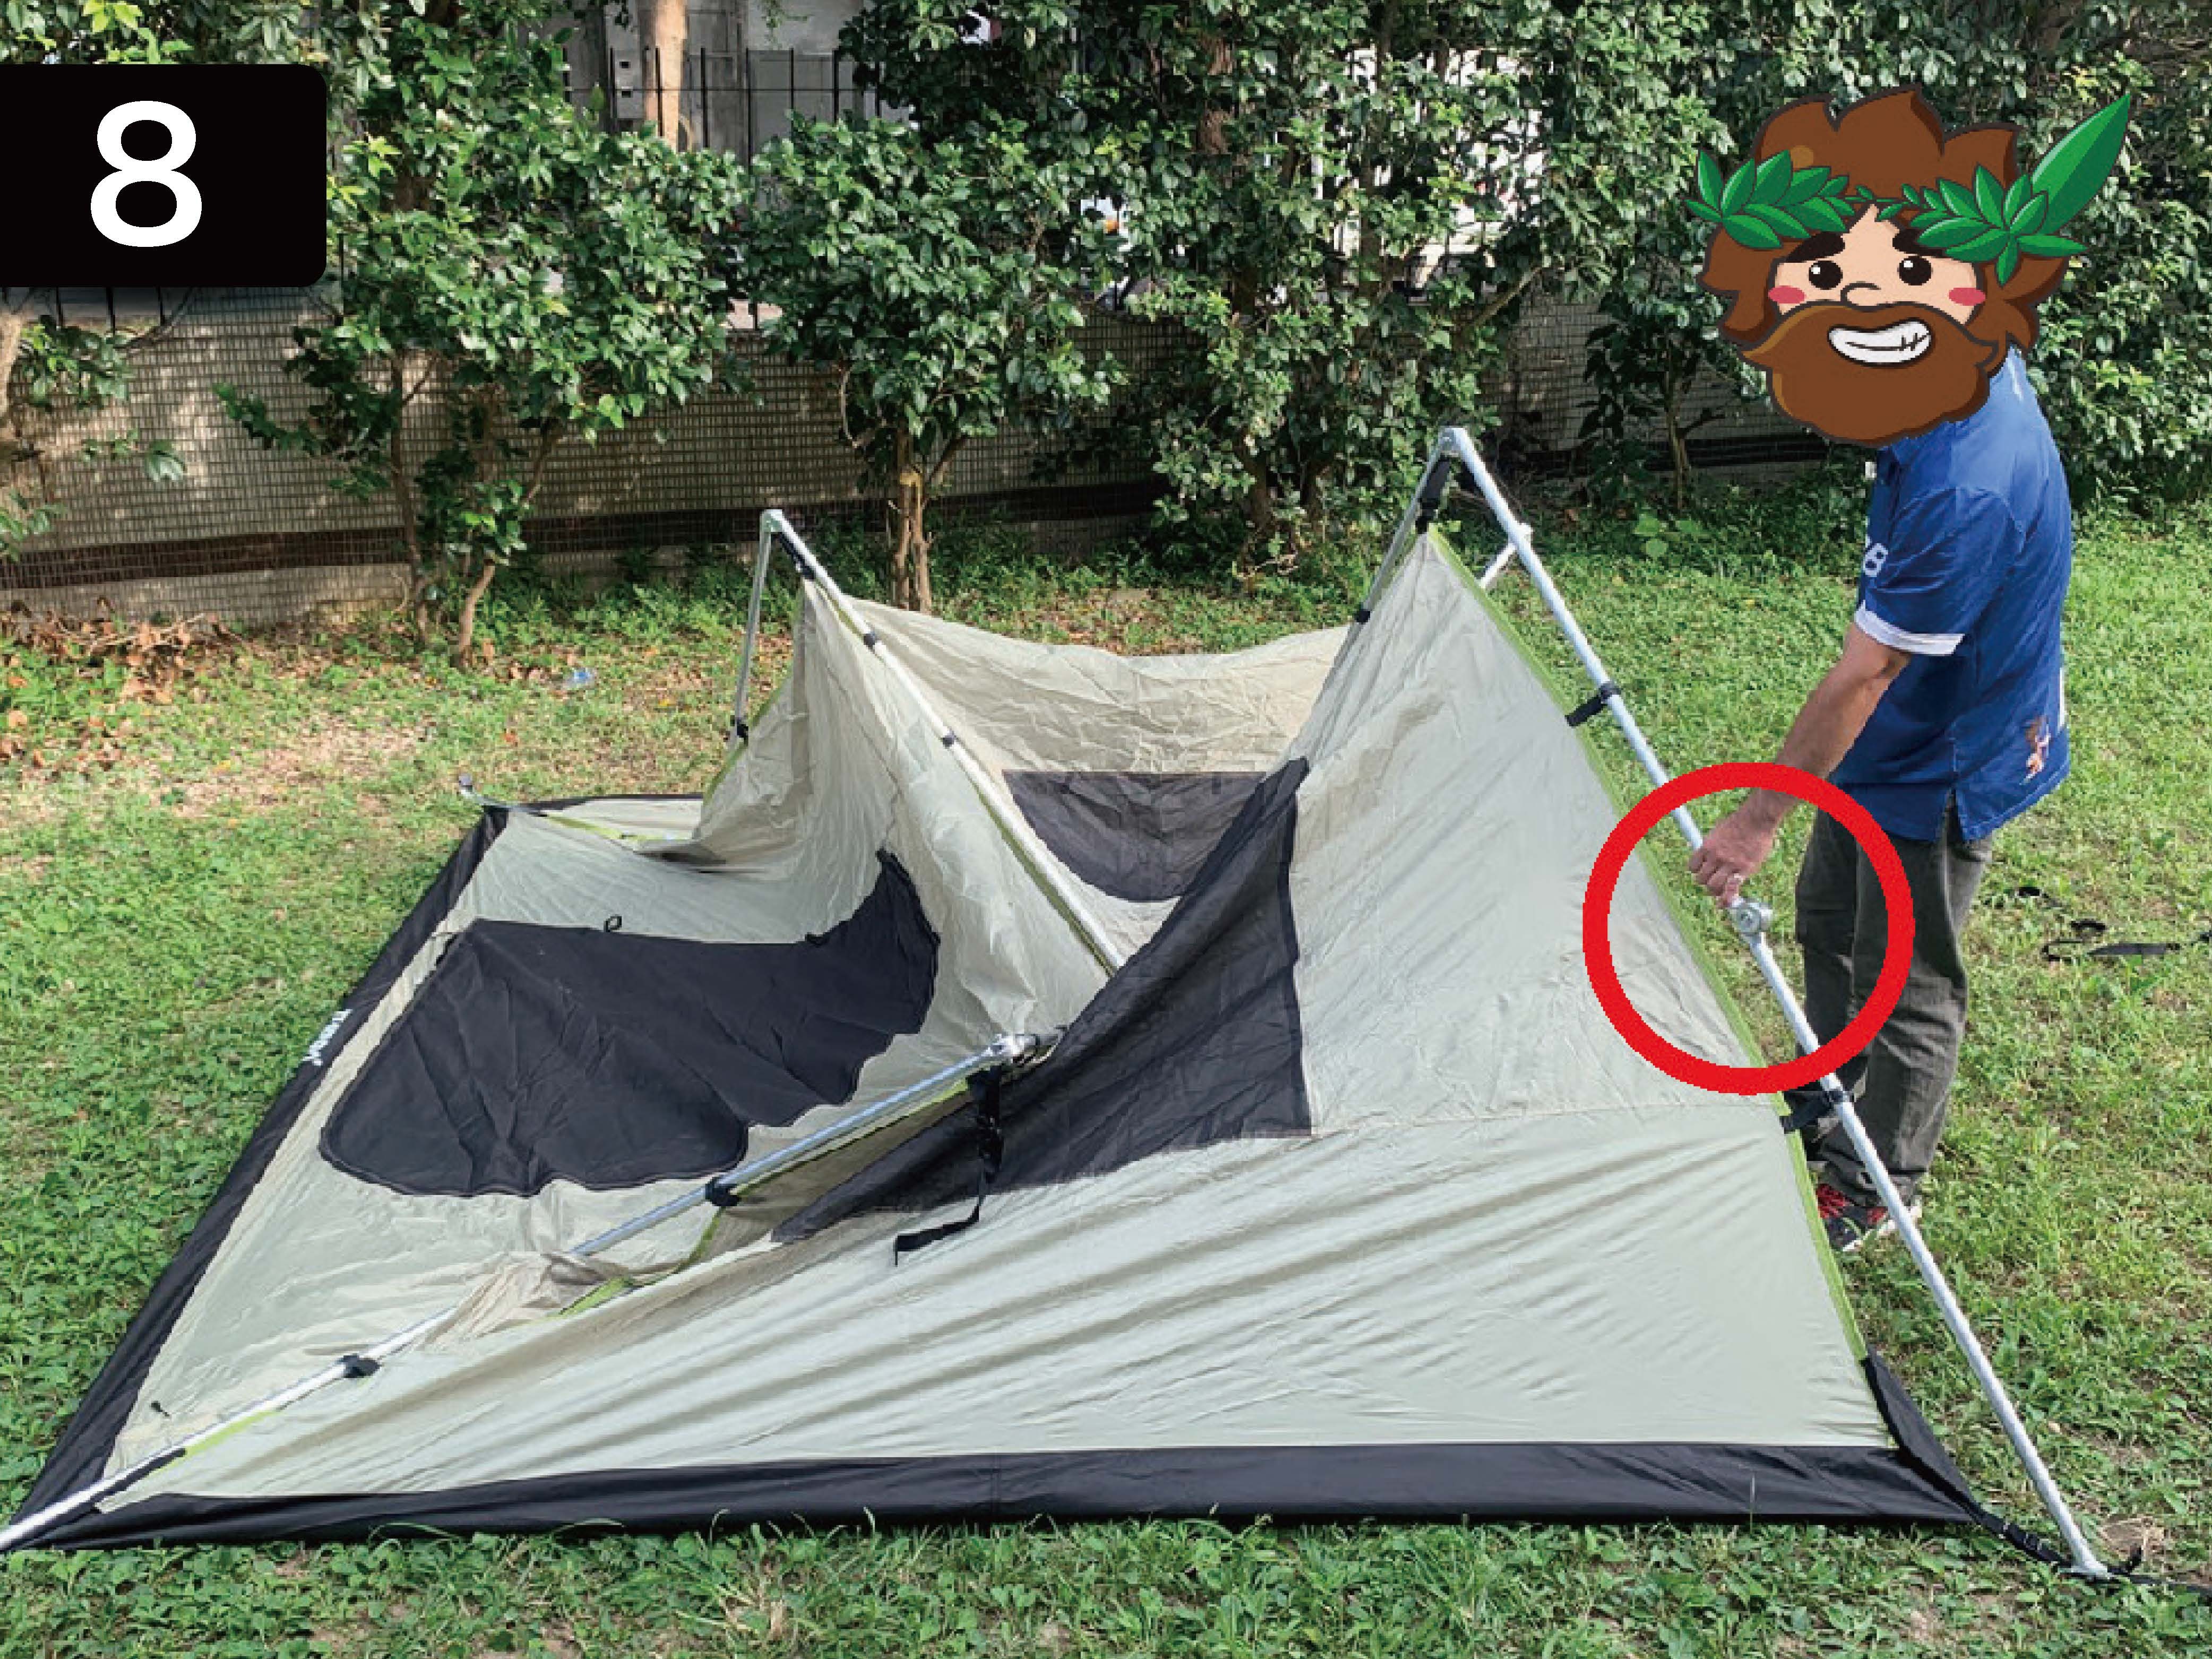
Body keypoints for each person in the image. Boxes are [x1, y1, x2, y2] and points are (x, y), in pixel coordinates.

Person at [1682, 88, 2110, 1250]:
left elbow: (1862, 676)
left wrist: (1753, 822)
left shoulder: (1964, 484)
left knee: (1908, 974)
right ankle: (1830, 1111)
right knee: (1829, 916)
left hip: (1948, 749)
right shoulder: (1948, 365)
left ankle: (1881, 1184)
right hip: (1895, 728)